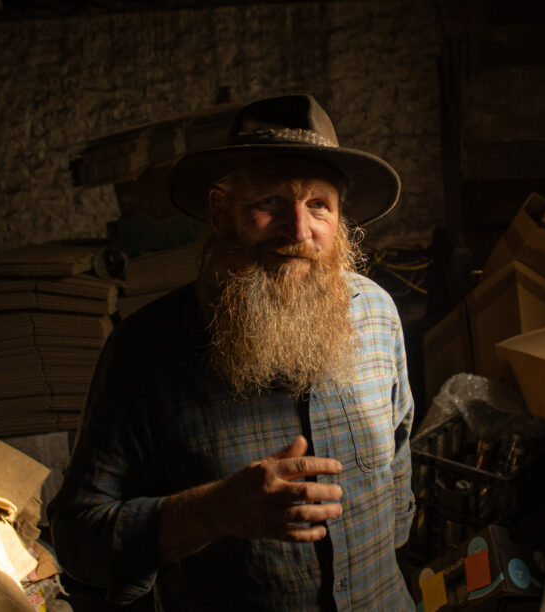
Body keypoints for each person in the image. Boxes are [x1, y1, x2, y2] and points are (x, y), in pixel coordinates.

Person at [48, 94, 416, 611]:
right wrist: (212, 512)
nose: (298, 229)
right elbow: (76, 538)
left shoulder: (378, 314)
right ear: (221, 212)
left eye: (318, 205)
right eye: (269, 201)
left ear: (339, 222)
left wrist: (389, 543)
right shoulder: (143, 351)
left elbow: (399, 446)